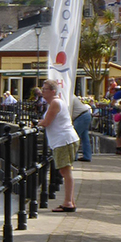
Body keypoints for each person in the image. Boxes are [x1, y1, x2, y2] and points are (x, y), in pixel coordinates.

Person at [37, 79, 80, 211]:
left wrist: (38, 122)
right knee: (64, 170)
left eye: (45, 89)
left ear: (53, 91)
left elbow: (46, 122)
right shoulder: (55, 103)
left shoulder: (55, 103)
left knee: (65, 171)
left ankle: (68, 203)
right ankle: (70, 201)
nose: (42, 91)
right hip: (63, 140)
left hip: (63, 140)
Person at [71, 95, 93, 162]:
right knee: (85, 137)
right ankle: (87, 156)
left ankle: (74, 156)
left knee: (74, 136)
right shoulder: (72, 96)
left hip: (80, 116)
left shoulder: (69, 97)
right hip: (86, 114)